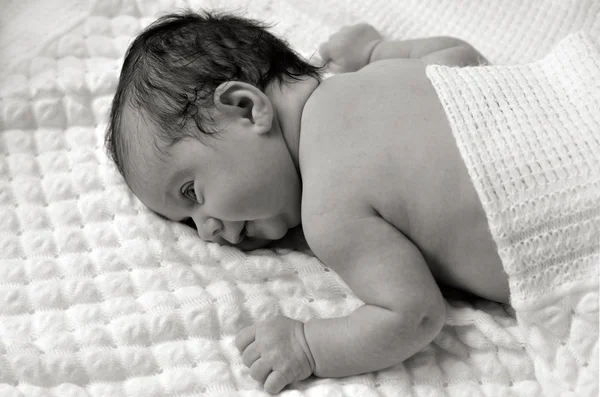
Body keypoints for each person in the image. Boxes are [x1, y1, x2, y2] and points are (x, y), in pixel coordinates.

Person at [105, 11, 506, 394]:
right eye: (191, 224)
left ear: (246, 108)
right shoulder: (378, 77)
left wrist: (307, 346)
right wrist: (373, 52)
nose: (207, 231)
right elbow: (462, 59)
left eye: (191, 193)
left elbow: (414, 315)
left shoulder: (329, 209)